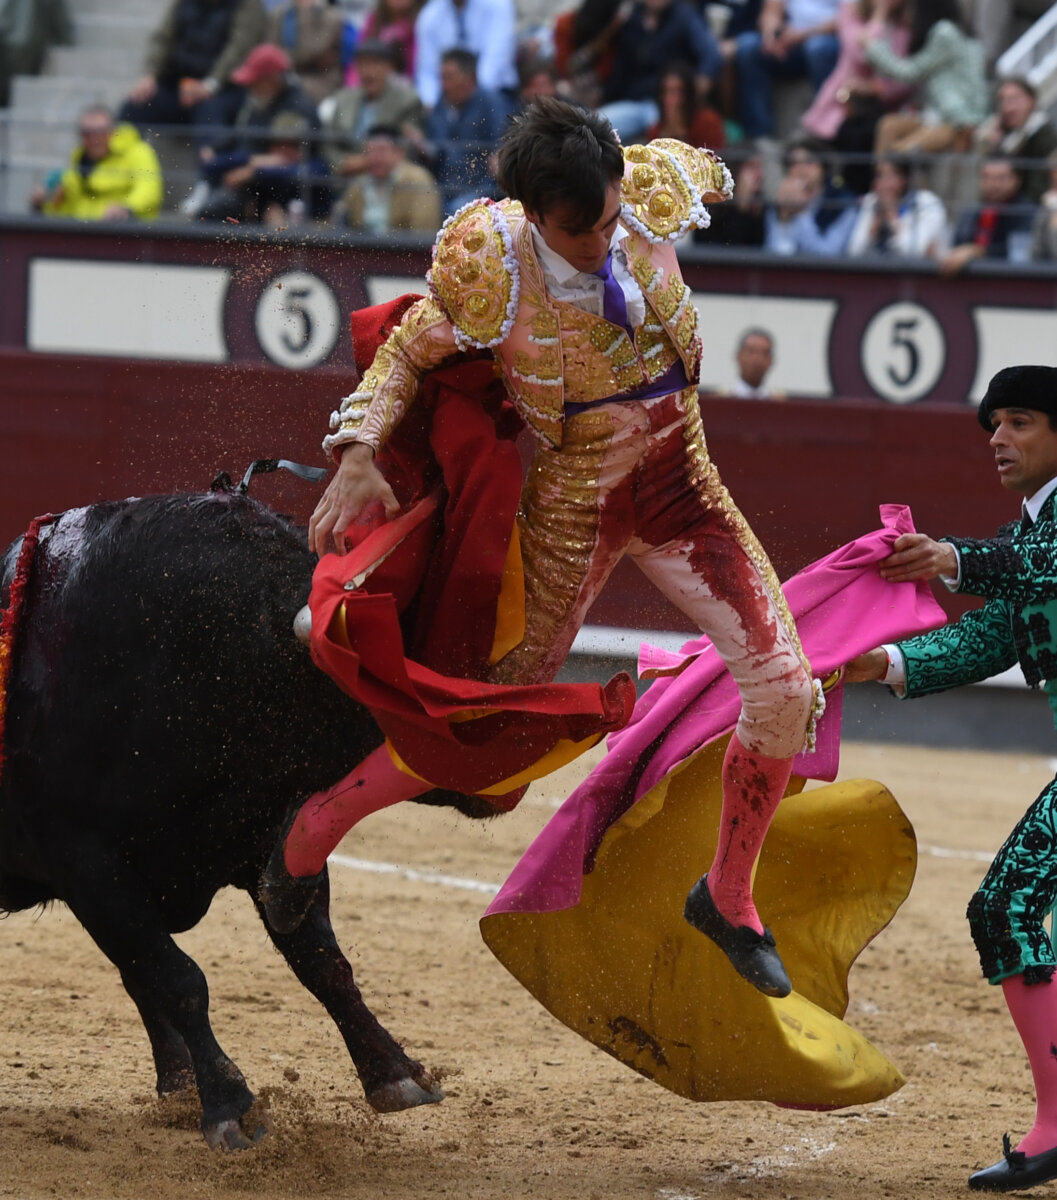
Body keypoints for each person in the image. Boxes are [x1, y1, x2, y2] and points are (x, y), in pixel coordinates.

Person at [260, 97, 819, 1006]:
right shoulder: (492, 265)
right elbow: (405, 352)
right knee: (479, 717)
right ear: (532, 213)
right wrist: (358, 449)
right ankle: (317, 825)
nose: (603, 240)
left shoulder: (647, 189)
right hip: (575, 508)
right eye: (578, 230)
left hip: (686, 488)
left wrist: (740, 164)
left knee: (787, 689)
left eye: (609, 218)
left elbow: (720, 166)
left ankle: (727, 897)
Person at [844, 364, 1057, 1193]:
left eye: (1019, 422)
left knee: (1006, 905)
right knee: (1007, 906)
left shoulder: (1038, 540)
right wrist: (881, 662)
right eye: (993, 425)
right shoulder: (1030, 533)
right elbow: (992, 635)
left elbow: (1038, 566)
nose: (997, 439)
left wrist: (950, 557)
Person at [192, 43, 329, 222]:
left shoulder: (296, 109)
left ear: (271, 79)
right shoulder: (260, 103)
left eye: (255, 80)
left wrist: (249, 171)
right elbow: (244, 139)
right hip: (256, 188)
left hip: (287, 196)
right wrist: (215, 150)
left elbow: (284, 160)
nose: (250, 86)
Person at [118, 0, 267, 152]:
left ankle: (210, 164)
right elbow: (163, 38)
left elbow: (240, 48)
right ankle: (118, 162)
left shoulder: (247, 4)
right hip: (177, 86)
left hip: (222, 90)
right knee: (134, 107)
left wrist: (210, 85)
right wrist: (149, 74)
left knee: (211, 122)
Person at [799, 0, 911, 195]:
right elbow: (862, 54)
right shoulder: (850, 11)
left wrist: (872, 88)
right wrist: (879, 16)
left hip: (882, 107)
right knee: (850, 136)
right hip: (841, 106)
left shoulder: (903, 26)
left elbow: (902, 81)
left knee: (873, 133)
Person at [864, 0, 987, 155]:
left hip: (957, 122)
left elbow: (908, 72)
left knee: (896, 155)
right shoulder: (952, 30)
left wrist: (873, 47)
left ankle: (888, 168)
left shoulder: (945, 32)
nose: (909, 13)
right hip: (937, 116)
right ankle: (883, 170)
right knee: (888, 125)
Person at [598, 0, 723, 144]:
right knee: (597, 126)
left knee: (664, 138)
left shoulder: (684, 17)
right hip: (633, 101)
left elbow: (711, 55)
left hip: (666, 103)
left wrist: (695, 92)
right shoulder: (629, 17)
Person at [411, 48, 515, 214]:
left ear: (469, 78)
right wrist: (422, 145)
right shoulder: (440, 104)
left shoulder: (493, 104)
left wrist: (501, 155)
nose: (444, 84)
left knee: (456, 209)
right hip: (444, 185)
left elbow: (504, 144)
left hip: (482, 186)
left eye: (449, 77)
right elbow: (437, 150)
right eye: (441, 77)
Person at [29, 105, 163, 222]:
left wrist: (126, 209)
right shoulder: (78, 158)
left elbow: (149, 190)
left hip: (124, 234)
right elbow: (67, 208)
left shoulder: (138, 152)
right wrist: (42, 204)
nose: (94, 139)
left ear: (113, 132)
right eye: (87, 134)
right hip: (84, 234)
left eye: (100, 133)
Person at [734, 0, 841, 140]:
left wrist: (802, 35)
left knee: (818, 48)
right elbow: (771, 11)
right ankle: (759, 137)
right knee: (748, 46)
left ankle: (822, 133)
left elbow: (849, 18)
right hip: (790, 42)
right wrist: (771, 35)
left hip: (829, 40)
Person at [322, 39, 424, 182]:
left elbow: (407, 149)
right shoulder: (343, 99)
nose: (368, 72)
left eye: (375, 64)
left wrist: (366, 162)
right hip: (346, 175)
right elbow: (328, 143)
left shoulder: (407, 101)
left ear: (389, 67)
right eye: (362, 65)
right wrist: (342, 163)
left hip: (388, 179)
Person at [412, 0, 518, 110]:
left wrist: (473, 96)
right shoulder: (430, 14)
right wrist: (431, 103)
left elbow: (496, 59)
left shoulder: (497, 4)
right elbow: (427, 71)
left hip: (496, 91)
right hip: (449, 98)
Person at [940, 154, 1035, 276]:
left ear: (1017, 180)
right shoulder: (971, 212)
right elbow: (957, 247)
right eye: (986, 177)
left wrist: (977, 251)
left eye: (1001, 178)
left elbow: (1017, 254)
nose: (992, 184)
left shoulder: (1025, 212)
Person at [336, 124, 441, 231]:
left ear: (399, 153)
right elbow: (339, 220)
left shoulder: (418, 180)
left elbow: (423, 230)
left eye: (382, 150)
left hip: (402, 242)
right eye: (369, 151)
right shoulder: (359, 184)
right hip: (361, 241)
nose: (375, 157)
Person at [763, 140, 858, 255]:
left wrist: (801, 213)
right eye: (793, 164)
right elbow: (775, 251)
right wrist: (784, 217)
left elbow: (828, 254)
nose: (800, 169)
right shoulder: (779, 202)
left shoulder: (842, 203)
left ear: (822, 167)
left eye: (808, 162)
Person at [975, 77, 1057, 206]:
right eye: (1002, 100)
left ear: (1031, 101)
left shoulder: (1044, 134)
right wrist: (991, 146)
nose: (1008, 107)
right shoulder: (997, 132)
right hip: (998, 206)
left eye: (1014, 99)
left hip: (1032, 206)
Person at [846, 154, 947, 257]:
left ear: (904, 179)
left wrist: (892, 219)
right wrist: (874, 226)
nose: (883, 183)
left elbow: (917, 251)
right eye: (879, 176)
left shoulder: (927, 201)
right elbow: (854, 252)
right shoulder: (871, 201)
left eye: (890, 176)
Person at [265, 0, 347, 104]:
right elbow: (269, 51)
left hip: (318, 78)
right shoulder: (279, 14)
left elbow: (315, 50)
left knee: (296, 96)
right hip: (284, 75)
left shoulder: (330, 15)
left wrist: (304, 11)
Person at [644, 61, 725, 151]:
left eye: (676, 92)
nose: (670, 99)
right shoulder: (655, 132)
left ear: (688, 95)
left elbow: (713, 157)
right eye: (666, 92)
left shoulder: (708, 122)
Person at [730, 327, 782, 397]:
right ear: (738, 356)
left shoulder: (778, 402)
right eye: (751, 352)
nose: (757, 359)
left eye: (764, 353)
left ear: (771, 360)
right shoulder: (722, 400)